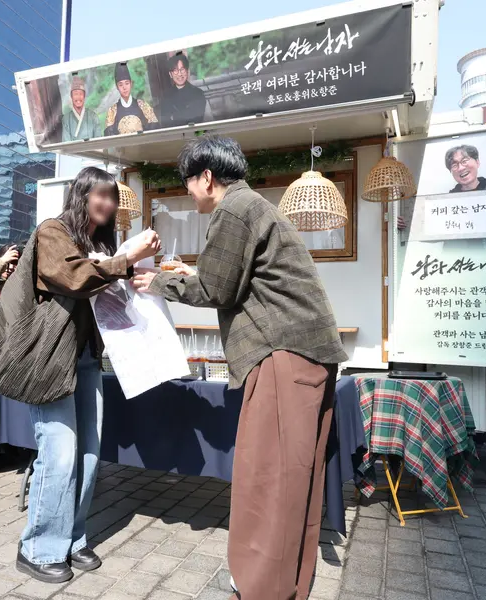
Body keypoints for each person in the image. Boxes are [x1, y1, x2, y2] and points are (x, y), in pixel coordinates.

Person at [132, 136, 348, 600]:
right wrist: (189, 277)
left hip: (280, 356)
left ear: (206, 177)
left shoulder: (233, 210)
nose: (188, 192)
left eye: (188, 182)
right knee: (295, 480)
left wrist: (159, 282)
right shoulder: (254, 207)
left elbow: (216, 290)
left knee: (267, 478)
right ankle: (284, 584)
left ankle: (260, 589)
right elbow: (230, 282)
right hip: (303, 354)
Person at [0, 166, 161, 584]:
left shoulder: (98, 242)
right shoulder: (52, 231)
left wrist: (132, 270)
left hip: (87, 359)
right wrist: (125, 259)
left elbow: (100, 286)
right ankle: (38, 547)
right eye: (101, 195)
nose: (108, 204)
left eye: (113, 197)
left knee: (88, 454)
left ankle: (70, 539)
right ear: (81, 195)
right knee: (59, 452)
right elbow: (71, 276)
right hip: (51, 358)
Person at [104, 63, 158, 136]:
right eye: (120, 85)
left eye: (127, 83)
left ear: (131, 84)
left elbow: (154, 129)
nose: (124, 87)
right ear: (117, 87)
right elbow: (110, 136)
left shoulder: (143, 106)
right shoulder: (112, 111)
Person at [161, 53, 206, 126]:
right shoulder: (165, 96)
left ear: (187, 71)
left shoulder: (198, 94)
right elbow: (165, 123)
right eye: (175, 70)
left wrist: (174, 117)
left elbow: (197, 120)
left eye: (182, 69)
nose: (179, 74)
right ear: (170, 74)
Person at [63, 76, 100, 142]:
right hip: (73, 152)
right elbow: (66, 144)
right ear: (71, 96)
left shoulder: (93, 117)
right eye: (75, 94)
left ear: (84, 96)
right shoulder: (66, 119)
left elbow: (99, 141)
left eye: (81, 94)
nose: (78, 97)